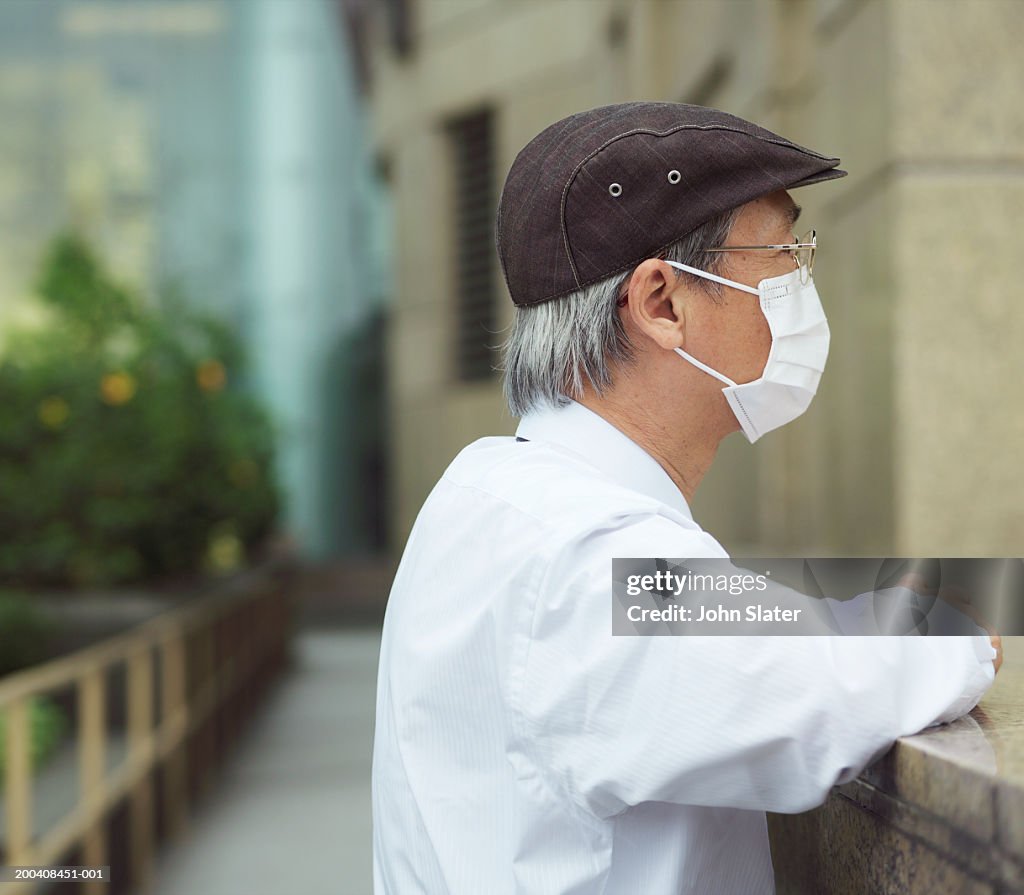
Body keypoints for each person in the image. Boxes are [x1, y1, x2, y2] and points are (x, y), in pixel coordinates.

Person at [371, 102, 1001, 894]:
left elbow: (724, 634)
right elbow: (809, 695)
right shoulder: (588, 549)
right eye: (784, 252)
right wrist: (956, 633)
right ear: (662, 302)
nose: (803, 279)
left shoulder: (489, 491)